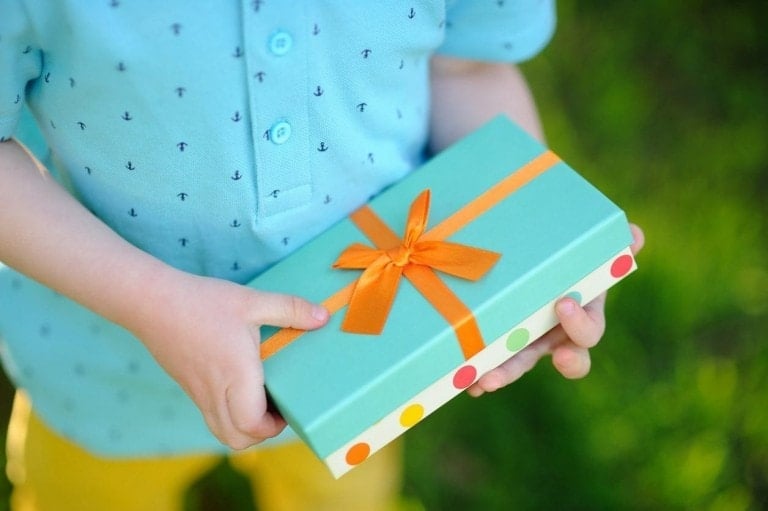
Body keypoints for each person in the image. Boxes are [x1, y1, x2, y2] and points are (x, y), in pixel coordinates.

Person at [0, 1, 644, 510]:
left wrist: (536, 259)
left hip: (363, 358)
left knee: (338, 498)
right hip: (102, 367)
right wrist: (151, 304)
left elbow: (467, 65)